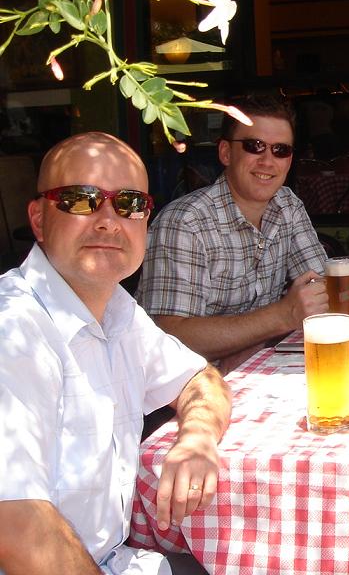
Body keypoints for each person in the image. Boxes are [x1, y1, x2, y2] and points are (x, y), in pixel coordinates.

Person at [0, 132, 232, 575]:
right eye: (81, 199)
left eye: (129, 204)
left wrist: (197, 439)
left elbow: (200, 380)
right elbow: (17, 533)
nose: (109, 220)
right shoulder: (14, 332)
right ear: (38, 218)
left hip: (114, 560)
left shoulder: (117, 310)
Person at [136, 94, 328, 373]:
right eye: (255, 146)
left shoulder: (287, 204)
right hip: (188, 390)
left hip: (260, 371)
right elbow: (169, 335)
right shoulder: (185, 222)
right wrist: (282, 316)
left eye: (280, 150)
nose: (267, 160)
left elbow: (320, 289)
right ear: (225, 153)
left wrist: (255, 345)